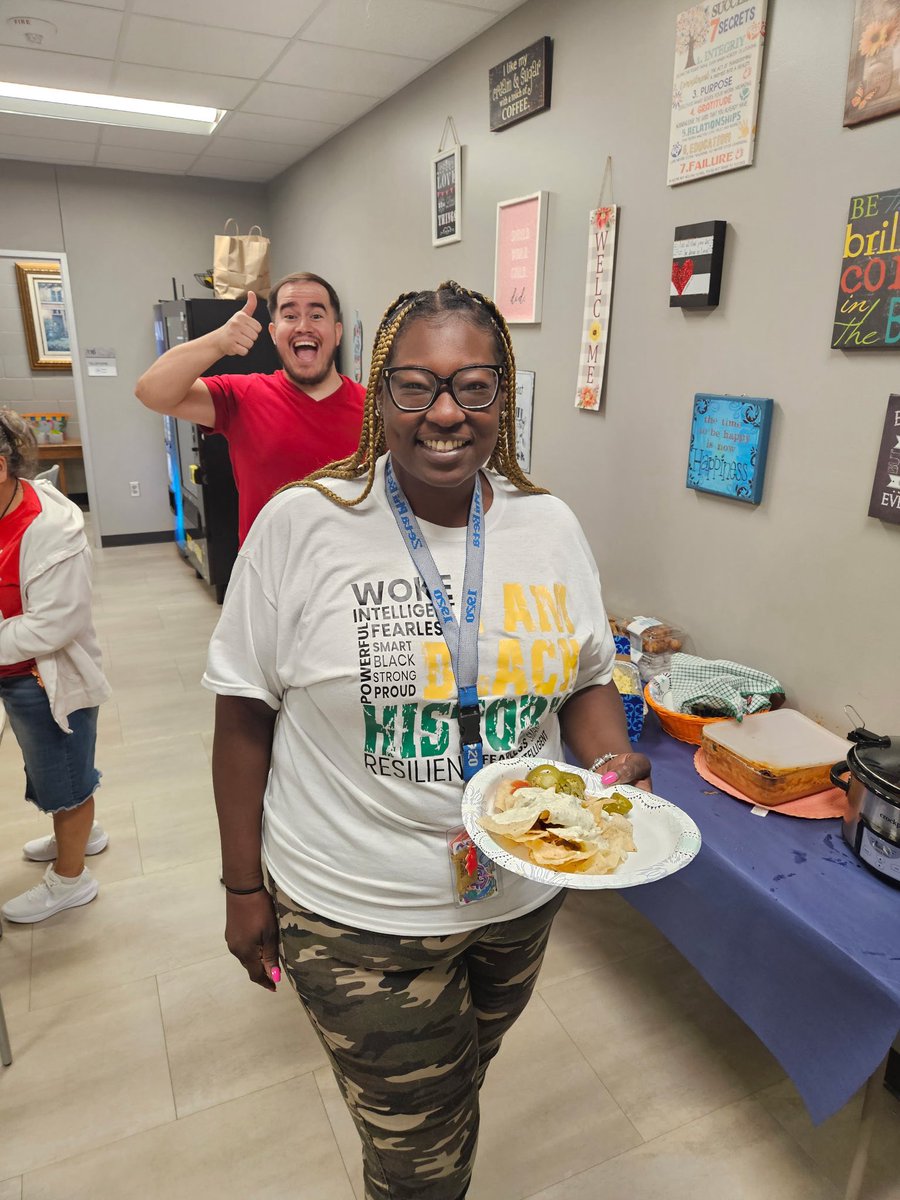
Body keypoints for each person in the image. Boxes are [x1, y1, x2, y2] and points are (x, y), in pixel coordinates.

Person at [203, 281, 652, 1200]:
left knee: (459, 1080)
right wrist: (243, 887)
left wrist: (607, 765)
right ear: (379, 394)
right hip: (353, 910)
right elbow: (243, 714)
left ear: (502, 399)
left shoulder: (548, 524)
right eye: (414, 386)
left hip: (517, 898)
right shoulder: (304, 524)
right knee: (419, 1164)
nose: (444, 413)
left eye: (474, 386)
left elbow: (588, 678)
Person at [134, 272, 365, 542]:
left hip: (350, 576)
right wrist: (218, 341)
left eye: (316, 315)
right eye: (290, 316)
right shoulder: (242, 396)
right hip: (267, 576)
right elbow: (150, 391)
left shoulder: (373, 408)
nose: (304, 326)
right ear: (273, 333)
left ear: (337, 332)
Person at [0, 412, 111, 924]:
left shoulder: (49, 529)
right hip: (16, 671)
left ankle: (72, 880)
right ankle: (79, 836)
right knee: (53, 768)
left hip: (44, 679)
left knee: (64, 776)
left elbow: (54, 626)